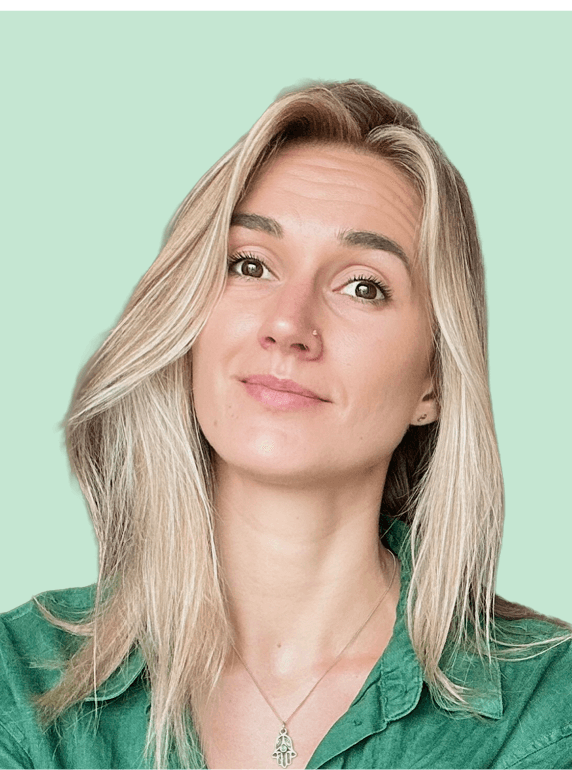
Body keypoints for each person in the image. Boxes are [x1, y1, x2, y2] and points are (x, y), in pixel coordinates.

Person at [0, 79, 571, 770]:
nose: (288, 324)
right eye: (250, 264)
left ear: (435, 381)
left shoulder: (550, 711)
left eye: (363, 284)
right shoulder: (20, 684)